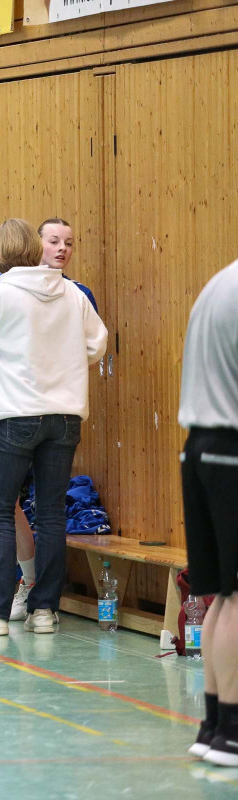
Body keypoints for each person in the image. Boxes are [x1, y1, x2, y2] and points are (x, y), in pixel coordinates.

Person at [0, 219, 107, 636]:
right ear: (35, 249)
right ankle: (44, 610)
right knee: (51, 513)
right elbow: (97, 343)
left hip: (16, 416)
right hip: (65, 416)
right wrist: (63, 364)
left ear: (0, 255)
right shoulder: (72, 293)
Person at [9, 216, 102, 621]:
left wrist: (62, 369)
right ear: (36, 245)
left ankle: (43, 603)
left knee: (48, 510)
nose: (62, 248)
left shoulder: (78, 294)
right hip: (19, 409)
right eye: (53, 241)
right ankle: (20, 586)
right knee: (7, 504)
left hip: (57, 412)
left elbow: (93, 347)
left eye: (69, 242)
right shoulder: (12, 289)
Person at [179, 258, 238, 767]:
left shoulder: (219, 283)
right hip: (230, 451)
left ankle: (215, 726)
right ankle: (233, 733)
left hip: (199, 448)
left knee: (226, 593)